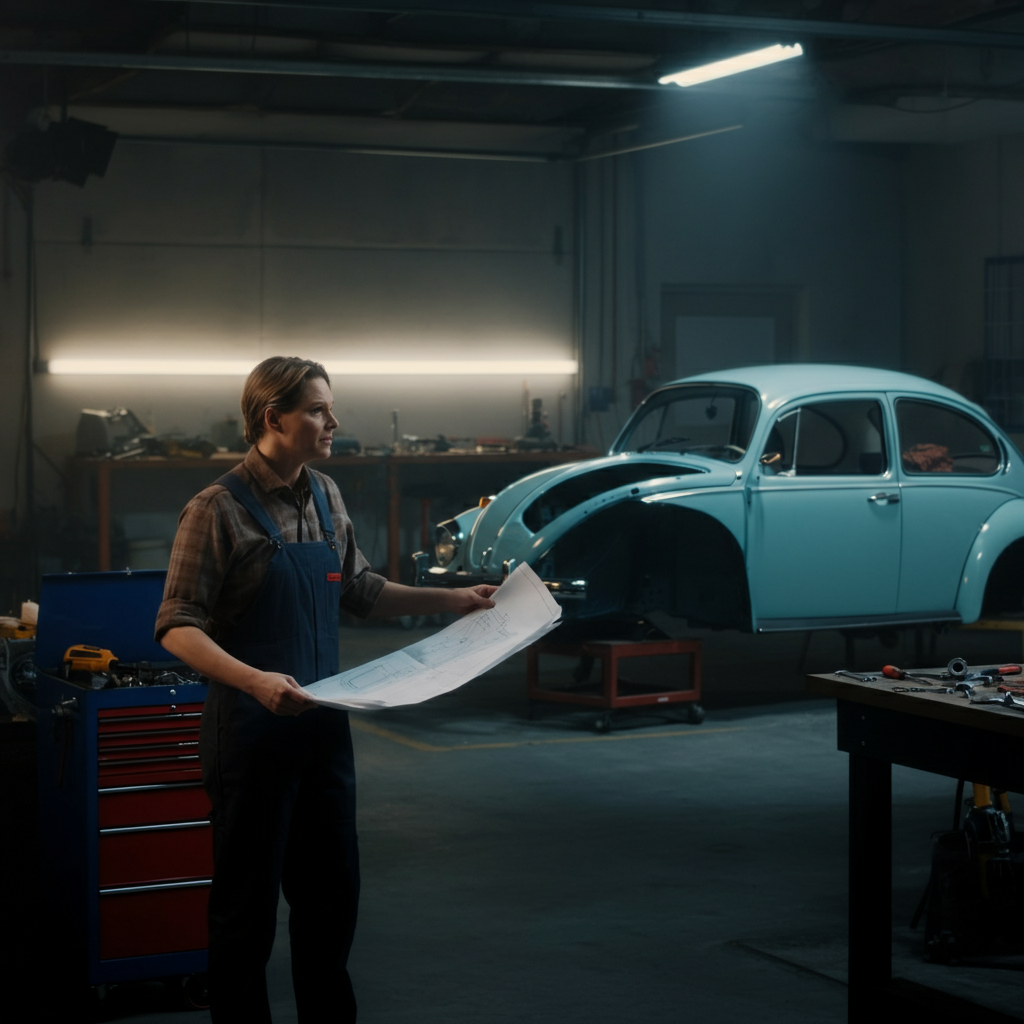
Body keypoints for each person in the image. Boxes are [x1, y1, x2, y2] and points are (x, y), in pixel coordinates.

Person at [155, 356, 496, 1024]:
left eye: (330, 408)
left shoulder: (327, 497)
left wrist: (455, 598)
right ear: (272, 418)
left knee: (330, 908)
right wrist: (255, 681)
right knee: (245, 918)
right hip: (251, 737)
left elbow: (362, 592)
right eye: (317, 409)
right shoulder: (215, 510)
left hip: (322, 736)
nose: (333, 421)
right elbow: (175, 627)